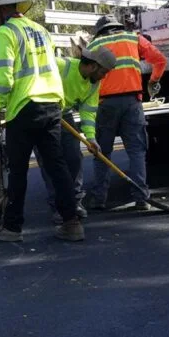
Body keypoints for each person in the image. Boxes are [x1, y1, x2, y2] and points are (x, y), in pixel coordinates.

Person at [0, 0, 83, 242]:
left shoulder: (5, 32)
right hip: (52, 103)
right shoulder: (40, 30)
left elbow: (4, 77)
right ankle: (72, 223)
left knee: (18, 169)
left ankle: (12, 228)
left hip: (24, 106)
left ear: (0, 11)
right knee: (57, 167)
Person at [85, 15, 167, 211]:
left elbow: (86, 75)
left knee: (101, 153)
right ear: (118, 26)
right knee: (136, 151)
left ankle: (99, 199)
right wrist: (153, 81)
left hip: (105, 105)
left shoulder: (94, 44)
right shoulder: (134, 38)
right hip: (132, 102)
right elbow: (160, 60)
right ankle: (141, 199)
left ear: (100, 30)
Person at [34, 47, 117, 224]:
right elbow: (33, 72)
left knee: (74, 157)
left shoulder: (94, 84)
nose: (104, 77)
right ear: (94, 66)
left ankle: (75, 201)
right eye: (104, 72)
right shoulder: (62, 66)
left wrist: (91, 138)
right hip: (43, 113)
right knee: (50, 161)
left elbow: (88, 112)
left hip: (64, 115)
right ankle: (58, 206)